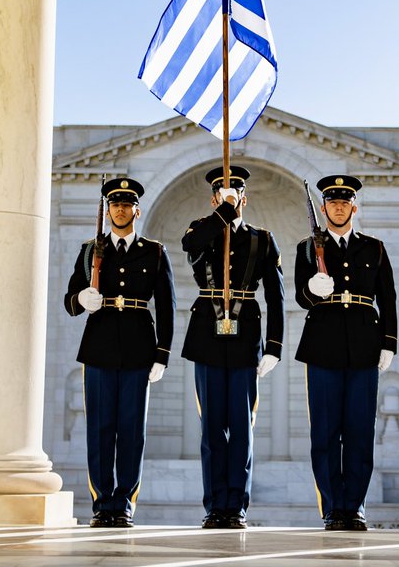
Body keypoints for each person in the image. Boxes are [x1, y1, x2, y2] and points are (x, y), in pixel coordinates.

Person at [64, 177, 175, 528]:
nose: (121, 209)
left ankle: (124, 501)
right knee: (100, 429)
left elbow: (168, 308)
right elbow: (70, 300)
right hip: (98, 348)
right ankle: (102, 502)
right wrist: (82, 298)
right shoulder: (90, 251)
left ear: (137, 211)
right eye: (115, 204)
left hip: (139, 349)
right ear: (108, 209)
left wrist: (162, 354)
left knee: (131, 430)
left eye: (127, 204)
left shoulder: (154, 251)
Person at [181, 165, 284, 529]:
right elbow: (190, 246)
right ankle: (214, 505)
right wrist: (222, 214)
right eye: (222, 193)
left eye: (235, 193)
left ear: (245, 196)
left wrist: (274, 346)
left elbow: (276, 294)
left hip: (245, 340)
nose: (229, 197)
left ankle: (236, 506)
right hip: (207, 338)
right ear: (213, 199)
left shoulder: (261, 239)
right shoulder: (201, 230)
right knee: (211, 429)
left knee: (241, 427)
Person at [294, 174, 397, 531]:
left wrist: (389, 342)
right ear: (323, 208)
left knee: (358, 432)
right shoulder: (308, 248)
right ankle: (332, 507)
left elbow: (388, 298)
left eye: (344, 201)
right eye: (332, 202)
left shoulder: (374, 248)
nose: (338, 207)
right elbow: (299, 297)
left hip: (365, 346)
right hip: (322, 347)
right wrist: (312, 288)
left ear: (354, 206)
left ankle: (354, 506)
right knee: (324, 432)